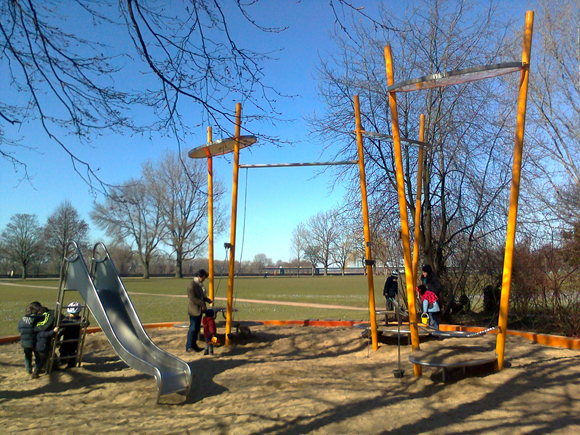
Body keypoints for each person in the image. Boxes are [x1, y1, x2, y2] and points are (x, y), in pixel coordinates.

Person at [186, 269, 212, 353]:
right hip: (194, 310)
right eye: (204, 277)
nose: (204, 279)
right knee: (193, 328)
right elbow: (193, 298)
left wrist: (208, 300)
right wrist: (202, 304)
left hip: (199, 310)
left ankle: (194, 345)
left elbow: (202, 296)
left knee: (197, 329)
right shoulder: (191, 285)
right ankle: (189, 346)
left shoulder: (199, 285)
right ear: (199, 276)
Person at [58, 302, 88, 368]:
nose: (72, 315)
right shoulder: (66, 319)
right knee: (62, 349)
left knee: (72, 352)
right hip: (67, 337)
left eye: (73, 314)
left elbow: (86, 324)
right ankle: (63, 360)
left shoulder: (79, 319)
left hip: (75, 339)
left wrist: (84, 321)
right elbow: (60, 326)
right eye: (71, 314)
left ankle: (71, 365)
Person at [32, 305, 58, 379]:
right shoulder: (42, 330)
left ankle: (54, 366)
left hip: (41, 347)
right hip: (43, 347)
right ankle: (36, 372)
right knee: (43, 360)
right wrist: (53, 331)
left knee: (51, 355)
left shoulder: (38, 328)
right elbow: (45, 334)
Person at [17, 302, 42, 374]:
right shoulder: (35, 320)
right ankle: (37, 369)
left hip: (24, 343)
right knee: (37, 356)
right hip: (34, 342)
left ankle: (28, 369)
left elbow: (19, 329)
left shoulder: (21, 320)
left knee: (27, 356)